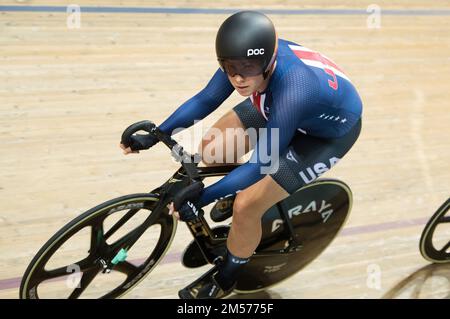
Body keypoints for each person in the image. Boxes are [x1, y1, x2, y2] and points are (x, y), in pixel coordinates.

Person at [120, 10, 363, 299]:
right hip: (276, 105)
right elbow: (206, 98)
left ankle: (227, 277)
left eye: (247, 69)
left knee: (247, 206)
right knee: (211, 149)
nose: (237, 78)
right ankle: (237, 190)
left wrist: (202, 197)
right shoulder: (245, 60)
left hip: (323, 136)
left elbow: (262, 164)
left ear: (269, 61)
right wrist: (159, 133)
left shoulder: (295, 88)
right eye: (229, 67)